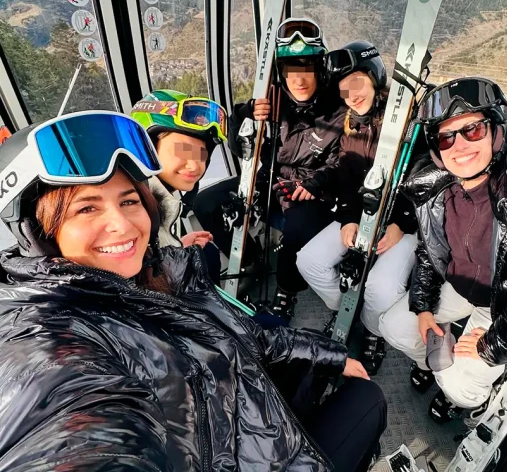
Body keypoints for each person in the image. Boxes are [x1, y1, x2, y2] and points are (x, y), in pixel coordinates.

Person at [0, 111, 386, 472]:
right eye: (87, 209)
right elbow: (77, 432)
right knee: (369, 401)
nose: (121, 223)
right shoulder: (49, 338)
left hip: (249, 407)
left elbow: (247, 335)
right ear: (40, 234)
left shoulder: (162, 273)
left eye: (129, 201)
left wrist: (331, 355)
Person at [378, 77, 507, 422]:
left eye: (473, 130)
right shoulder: (437, 188)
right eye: (446, 137)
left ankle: (473, 398)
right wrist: (424, 308)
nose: (459, 146)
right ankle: (435, 365)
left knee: (459, 385)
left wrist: (491, 344)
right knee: (394, 327)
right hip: (460, 285)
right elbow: (429, 253)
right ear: (436, 150)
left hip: (503, 299)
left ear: (497, 131)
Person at [194, 18, 344, 321]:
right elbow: (242, 148)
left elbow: (341, 161)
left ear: (319, 70)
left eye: (306, 69)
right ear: (281, 72)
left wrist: (314, 184)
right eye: (291, 71)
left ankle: (287, 289)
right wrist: (247, 114)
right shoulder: (272, 100)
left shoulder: (336, 110)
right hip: (271, 178)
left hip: (311, 188)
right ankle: (248, 259)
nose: (299, 80)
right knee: (205, 202)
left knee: (297, 228)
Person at [297, 41, 418, 375]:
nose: (352, 96)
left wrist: (400, 225)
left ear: (374, 76)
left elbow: (424, 184)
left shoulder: (411, 124)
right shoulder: (351, 128)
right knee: (308, 261)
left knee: (381, 286)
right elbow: (348, 183)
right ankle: (345, 307)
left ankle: (372, 329)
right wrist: (350, 218)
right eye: (344, 91)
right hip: (363, 216)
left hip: (404, 222)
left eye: (357, 84)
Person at [130, 90, 225, 283]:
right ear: (146, 148)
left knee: (207, 254)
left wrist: (175, 247)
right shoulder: (133, 213)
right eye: (182, 151)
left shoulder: (152, 198)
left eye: (202, 155)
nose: (194, 165)